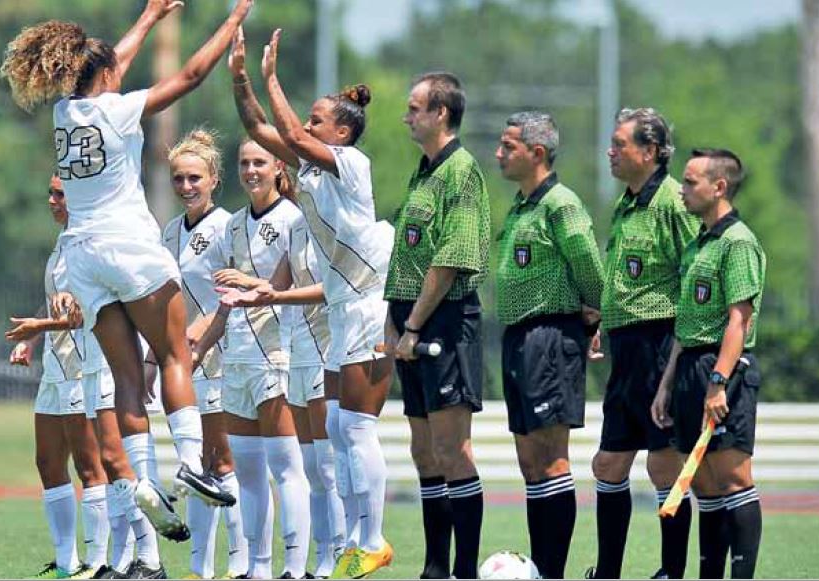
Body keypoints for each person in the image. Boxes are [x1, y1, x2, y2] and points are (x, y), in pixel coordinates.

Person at [0, 0, 250, 574]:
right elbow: (190, 76)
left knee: (125, 379)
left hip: (85, 259)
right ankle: (191, 463)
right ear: (106, 77)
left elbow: (110, 63)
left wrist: (150, 15)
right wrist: (232, 22)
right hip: (129, 247)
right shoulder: (118, 110)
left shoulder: (66, 112)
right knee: (175, 352)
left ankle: (145, 482)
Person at [228, 27, 395, 579]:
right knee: (336, 432)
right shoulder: (311, 169)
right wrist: (242, 79)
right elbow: (258, 126)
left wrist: (273, 78)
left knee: (354, 430)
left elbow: (294, 137)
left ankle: (371, 538)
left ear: (341, 132)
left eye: (319, 119)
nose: (307, 124)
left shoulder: (352, 165)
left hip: (370, 298)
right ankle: (351, 542)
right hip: (342, 307)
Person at [191, 134, 313, 580]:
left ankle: (295, 568)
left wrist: (248, 282)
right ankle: (259, 568)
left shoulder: (295, 220)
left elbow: (290, 291)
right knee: (247, 474)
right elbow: (225, 302)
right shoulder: (233, 224)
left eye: (259, 162)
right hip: (237, 359)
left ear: (279, 167)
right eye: (244, 163)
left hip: (278, 355)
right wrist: (201, 348)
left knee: (287, 467)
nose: (251, 171)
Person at [385, 71, 490, 580]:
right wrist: (393, 320)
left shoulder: (461, 171)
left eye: (414, 107)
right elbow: (407, 254)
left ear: (440, 113)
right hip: (410, 320)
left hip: (443, 321)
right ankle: (434, 567)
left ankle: (465, 570)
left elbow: (451, 259)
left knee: (452, 449)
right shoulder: (423, 171)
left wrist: (414, 326)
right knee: (423, 449)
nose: (406, 116)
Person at [588, 108, 699, 580]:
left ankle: (671, 572)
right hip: (627, 350)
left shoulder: (675, 203)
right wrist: (602, 319)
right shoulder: (626, 202)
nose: (610, 152)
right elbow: (624, 275)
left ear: (650, 152)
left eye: (620, 143)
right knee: (608, 462)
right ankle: (608, 572)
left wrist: (676, 364)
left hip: (661, 346)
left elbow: (695, 276)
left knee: (664, 467)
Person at [493, 112, 605, 579]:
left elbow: (590, 267)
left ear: (537, 153)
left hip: (551, 335)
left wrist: (593, 317)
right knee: (529, 460)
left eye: (508, 146)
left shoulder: (561, 204)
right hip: (519, 337)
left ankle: (552, 573)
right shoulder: (522, 207)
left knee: (552, 457)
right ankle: (541, 568)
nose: (498, 154)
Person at [652, 149, 766, 580]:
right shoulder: (699, 243)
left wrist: (718, 381)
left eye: (690, 182)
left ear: (719, 187)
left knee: (733, 476)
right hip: (689, 368)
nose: (682, 190)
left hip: (723, 370)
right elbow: (687, 324)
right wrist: (667, 384)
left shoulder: (739, 243)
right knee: (701, 483)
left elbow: (739, 319)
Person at [7, 175, 112, 580]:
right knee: (48, 461)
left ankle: (98, 561)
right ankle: (66, 563)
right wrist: (34, 340)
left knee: (89, 466)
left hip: (85, 364)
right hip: (56, 365)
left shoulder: (92, 241)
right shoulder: (63, 241)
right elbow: (57, 302)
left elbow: (89, 311)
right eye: (49, 191)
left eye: (59, 193)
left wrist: (40, 326)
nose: (51, 199)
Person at [161, 131, 248, 579]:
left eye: (195, 177)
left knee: (221, 460)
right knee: (195, 466)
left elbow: (236, 289)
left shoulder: (229, 226)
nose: (186, 186)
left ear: (213, 179)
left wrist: (202, 330)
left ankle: (241, 562)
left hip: (222, 353)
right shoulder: (170, 231)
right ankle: (200, 568)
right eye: (178, 178)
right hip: (183, 360)